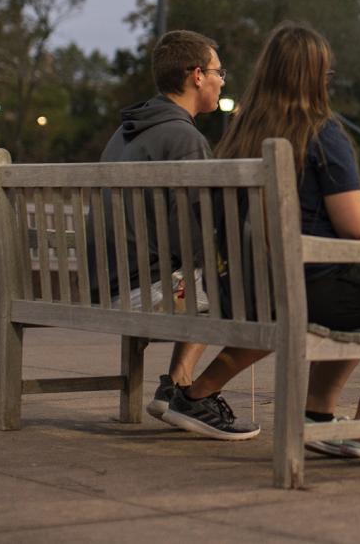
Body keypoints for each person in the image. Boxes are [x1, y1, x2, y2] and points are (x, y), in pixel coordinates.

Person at [164, 20, 360, 464]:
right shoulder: (320, 131)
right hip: (297, 288)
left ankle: (318, 417)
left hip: (234, 289)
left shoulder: (238, 134)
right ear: (317, 77)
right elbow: (356, 227)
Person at [85, 29, 264, 440]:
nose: (223, 81)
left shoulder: (128, 131)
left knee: (211, 275)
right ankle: (195, 395)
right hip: (139, 291)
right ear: (197, 75)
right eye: (219, 72)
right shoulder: (184, 138)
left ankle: (176, 387)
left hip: (104, 283)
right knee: (253, 288)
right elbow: (201, 241)